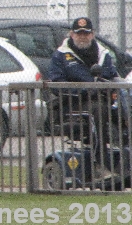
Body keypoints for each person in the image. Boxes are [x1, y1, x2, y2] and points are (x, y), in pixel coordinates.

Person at [49, 17, 122, 177]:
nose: (82, 36)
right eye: (79, 33)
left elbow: (113, 76)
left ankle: (125, 162)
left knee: (124, 111)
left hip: (104, 101)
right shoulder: (61, 55)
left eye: (86, 33)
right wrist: (84, 90)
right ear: (71, 34)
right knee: (98, 111)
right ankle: (99, 164)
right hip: (73, 105)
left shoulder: (104, 54)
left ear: (92, 34)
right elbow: (56, 84)